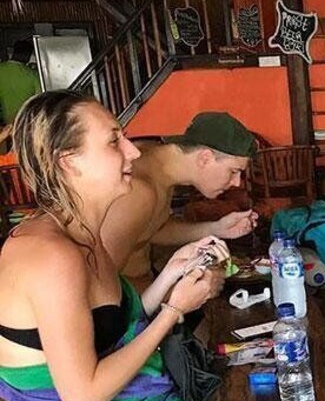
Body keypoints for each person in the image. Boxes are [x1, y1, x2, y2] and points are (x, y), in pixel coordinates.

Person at [0, 91, 229, 401]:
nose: (133, 153)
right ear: (69, 162)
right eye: (113, 141)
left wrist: (172, 274)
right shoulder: (50, 257)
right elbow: (84, 397)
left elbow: (110, 329)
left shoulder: (82, 232)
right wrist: (175, 309)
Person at [102, 111, 259, 289]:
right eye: (233, 171)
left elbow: (149, 230)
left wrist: (215, 228)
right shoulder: (138, 189)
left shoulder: (160, 168)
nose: (237, 183)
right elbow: (100, 279)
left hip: (143, 294)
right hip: (129, 308)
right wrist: (174, 298)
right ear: (205, 158)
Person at [0, 40, 41, 127]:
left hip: (4, 124)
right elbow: (39, 98)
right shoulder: (32, 74)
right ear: (27, 55)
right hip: (24, 122)